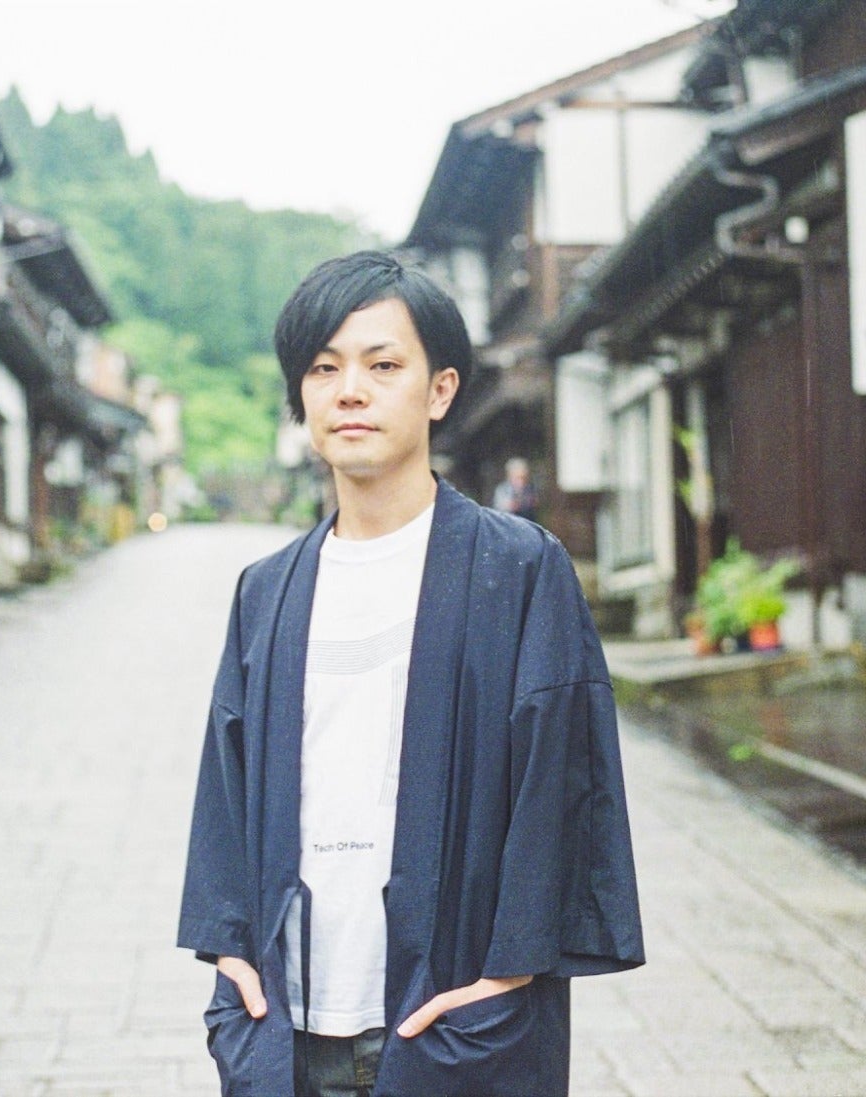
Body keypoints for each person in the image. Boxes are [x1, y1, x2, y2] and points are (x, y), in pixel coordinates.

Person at [177, 251, 644, 1097]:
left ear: (440, 390)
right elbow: (226, 790)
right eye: (324, 368)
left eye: (383, 365)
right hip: (286, 1030)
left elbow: (566, 786)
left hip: (454, 1023)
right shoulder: (267, 590)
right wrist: (231, 957)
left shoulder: (519, 569)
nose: (350, 391)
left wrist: (505, 978)